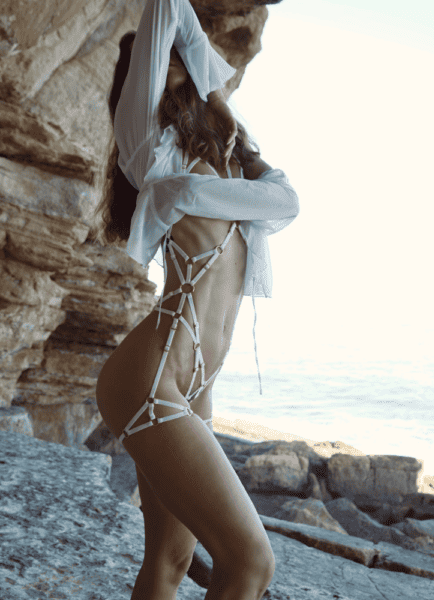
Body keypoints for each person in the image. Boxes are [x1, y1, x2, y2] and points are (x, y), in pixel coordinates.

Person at [93, 0, 300, 597]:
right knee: (250, 563)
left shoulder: (227, 171)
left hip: (193, 386)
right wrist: (188, 72)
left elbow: (287, 201)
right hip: (152, 379)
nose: (186, 70)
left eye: (189, 65)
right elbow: (167, 8)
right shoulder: (149, 153)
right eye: (168, 65)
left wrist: (221, 108)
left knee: (172, 554)